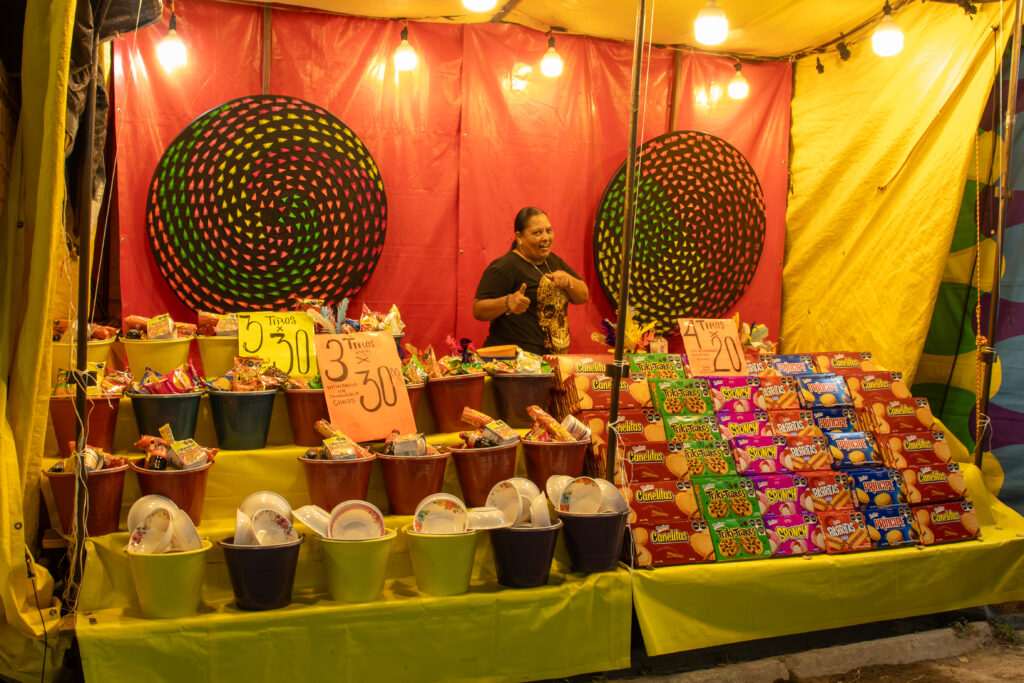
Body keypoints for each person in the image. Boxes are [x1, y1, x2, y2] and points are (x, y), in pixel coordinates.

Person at [473, 207, 589, 355]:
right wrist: (507, 302)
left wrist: (569, 282)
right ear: (519, 237)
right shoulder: (505, 266)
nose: (546, 237)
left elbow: (583, 296)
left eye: (548, 230)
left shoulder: (553, 261)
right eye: (537, 233)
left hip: (551, 363)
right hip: (515, 365)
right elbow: (478, 310)